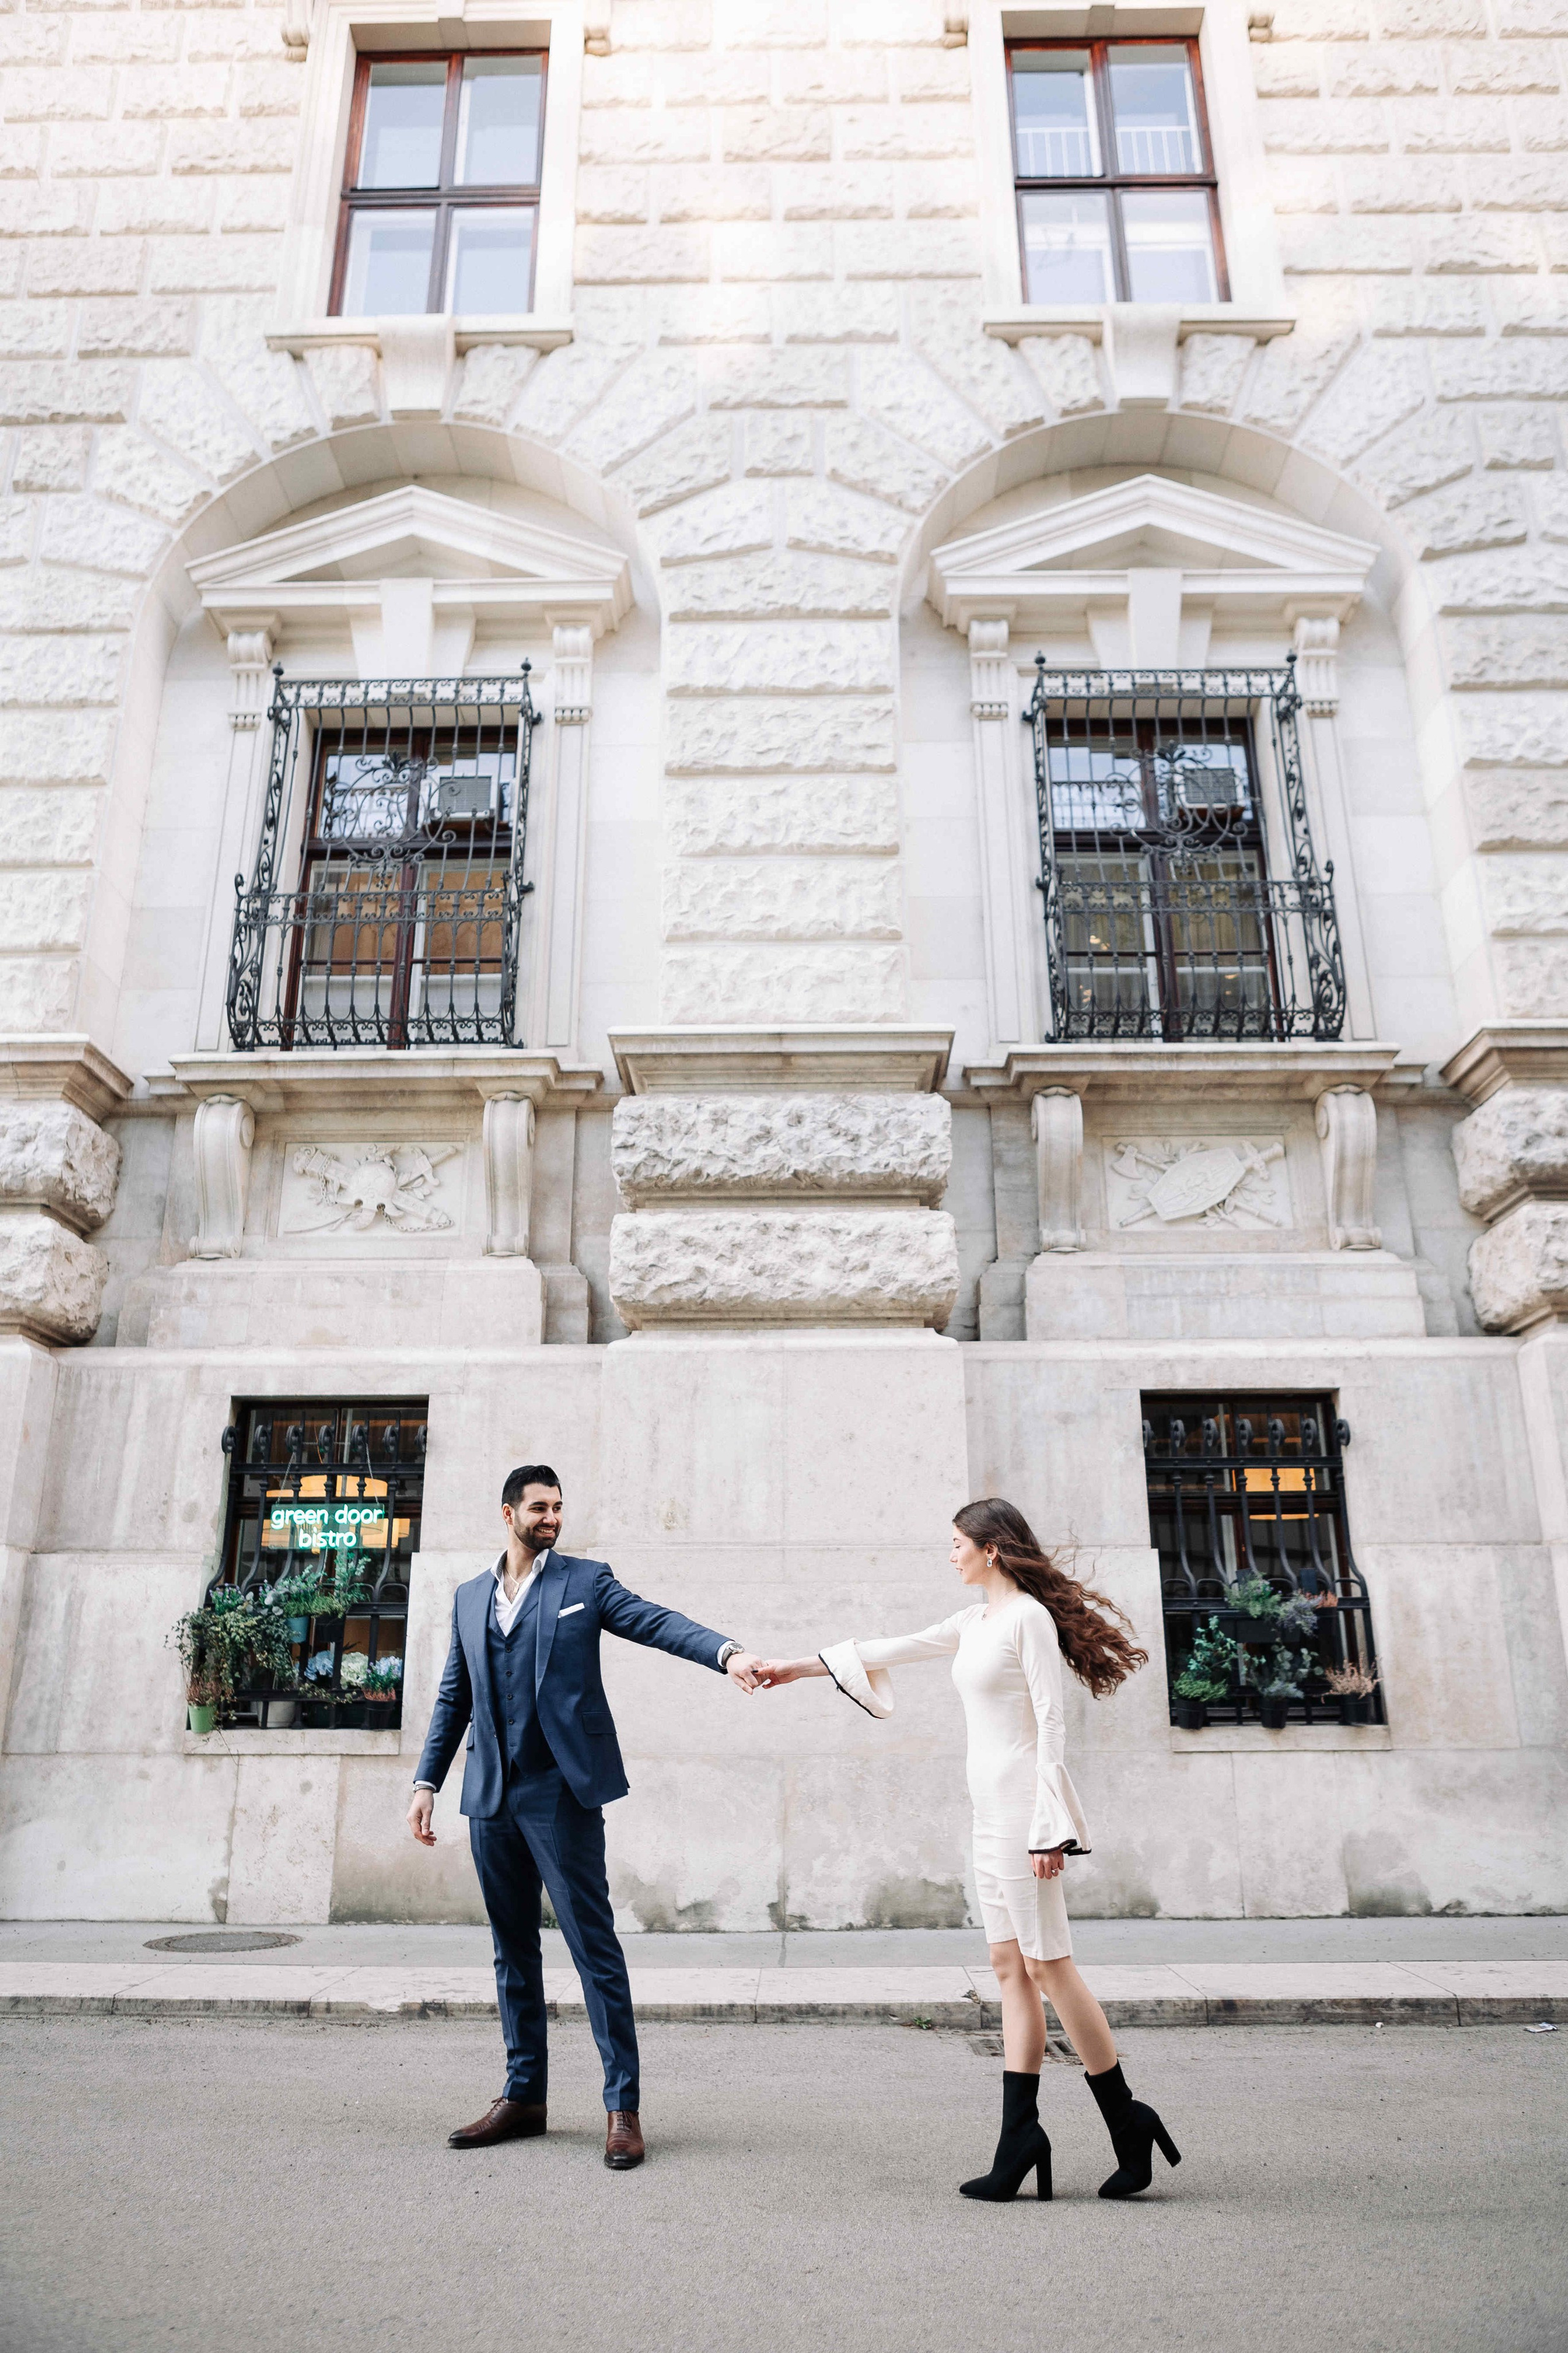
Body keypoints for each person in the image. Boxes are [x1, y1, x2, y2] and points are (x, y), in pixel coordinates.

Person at [757, 1497, 1180, 2204]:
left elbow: (1051, 1720)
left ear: (991, 1549)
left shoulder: (1027, 1619)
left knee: (1050, 1966)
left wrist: (1050, 1828)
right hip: (988, 1813)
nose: (948, 1553)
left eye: (956, 1543)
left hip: (1024, 1813)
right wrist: (790, 1668)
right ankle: (1021, 2137)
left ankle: (1126, 2119)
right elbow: (890, 1647)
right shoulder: (973, 1620)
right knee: (1008, 1964)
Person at [407, 1464, 765, 2170]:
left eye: (559, 1508)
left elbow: (657, 1621)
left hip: (560, 1793)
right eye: (539, 1507)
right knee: (512, 1951)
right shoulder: (469, 1596)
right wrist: (426, 1781)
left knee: (592, 1948)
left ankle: (622, 2108)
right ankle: (524, 2096)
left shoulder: (585, 1583)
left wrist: (727, 1653)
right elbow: (456, 1696)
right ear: (506, 1512)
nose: (552, 1518)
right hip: (491, 1797)